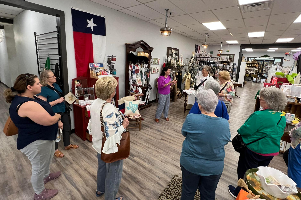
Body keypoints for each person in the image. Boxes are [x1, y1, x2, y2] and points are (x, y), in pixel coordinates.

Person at [4, 73, 62, 200]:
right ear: (29, 87)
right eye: (38, 83)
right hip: (35, 141)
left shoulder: (32, 97)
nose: (41, 84)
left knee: (46, 160)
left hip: (44, 137)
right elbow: (48, 120)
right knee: (39, 167)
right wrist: (58, 117)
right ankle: (39, 193)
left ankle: (46, 176)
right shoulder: (27, 104)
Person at [228, 87, 287, 198]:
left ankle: (240, 194)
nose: (259, 100)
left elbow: (244, 130)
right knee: (259, 174)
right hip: (270, 151)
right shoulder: (281, 116)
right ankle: (254, 193)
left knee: (246, 173)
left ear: (269, 102)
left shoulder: (259, 115)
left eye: (261, 99)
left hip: (254, 150)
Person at [180, 89, 231, 200]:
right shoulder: (224, 124)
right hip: (213, 167)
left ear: (199, 105)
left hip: (190, 164)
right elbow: (226, 140)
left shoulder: (191, 119)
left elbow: (184, 133)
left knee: (188, 192)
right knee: (208, 194)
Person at [88, 76, 129, 200]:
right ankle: (110, 198)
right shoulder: (109, 109)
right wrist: (123, 125)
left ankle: (100, 189)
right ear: (112, 92)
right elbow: (113, 136)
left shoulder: (95, 103)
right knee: (114, 173)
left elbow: (93, 123)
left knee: (102, 167)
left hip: (98, 144)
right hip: (109, 148)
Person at [38, 70, 78, 158]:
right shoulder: (43, 90)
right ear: (46, 79)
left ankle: (67, 144)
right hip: (53, 112)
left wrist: (69, 98)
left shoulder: (55, 85)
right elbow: (44, 106)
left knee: (67, 127)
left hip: (62, 110)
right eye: (52, 76)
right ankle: (55, 150)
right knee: (55, 131)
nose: (55, 77)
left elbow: (60, 96)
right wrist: (57, 101)